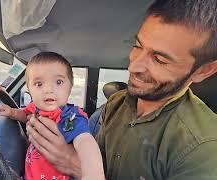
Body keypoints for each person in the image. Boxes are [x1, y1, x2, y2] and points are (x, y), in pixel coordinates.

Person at [26, 0, 217, 179]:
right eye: (137, 46)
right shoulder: (117, 102)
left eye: (159, 59)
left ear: (203, 70)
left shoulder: (204, 148)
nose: (133, 67)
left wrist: (75, 165)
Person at [0, 52, 105, 180]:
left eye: (58, 82)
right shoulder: (34, 109)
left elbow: (85, 142)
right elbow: (24, 114)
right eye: (39, 84)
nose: (49, 89)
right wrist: (12, 112)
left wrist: (93, 174)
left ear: (70, 88)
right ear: (29, 90)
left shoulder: (70, 116)